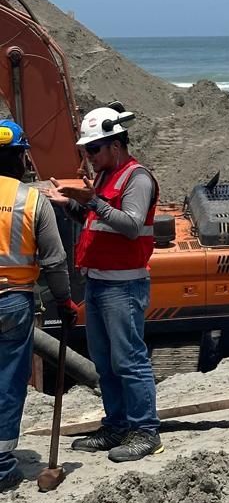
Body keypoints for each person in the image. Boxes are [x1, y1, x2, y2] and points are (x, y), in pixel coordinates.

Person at [48, 104, 163, 462]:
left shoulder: (136, 178)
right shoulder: (104, 176)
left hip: (123, 286)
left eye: (94, 149)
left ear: (115, 145)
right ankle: (116, 426)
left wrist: (93, 201)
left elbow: (130, 226)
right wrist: (69, 203)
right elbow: (94, 222)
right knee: (105, 362)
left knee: (129, 360)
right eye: (86, 150)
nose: (90, 157)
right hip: (99, 283)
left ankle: (145, 432)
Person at [0, 119, 77, 492]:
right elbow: (55, 261)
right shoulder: (31, 201)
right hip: (13, 302)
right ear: (21, 158)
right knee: (8, 381)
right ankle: (2, 466)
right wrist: (64, 301)